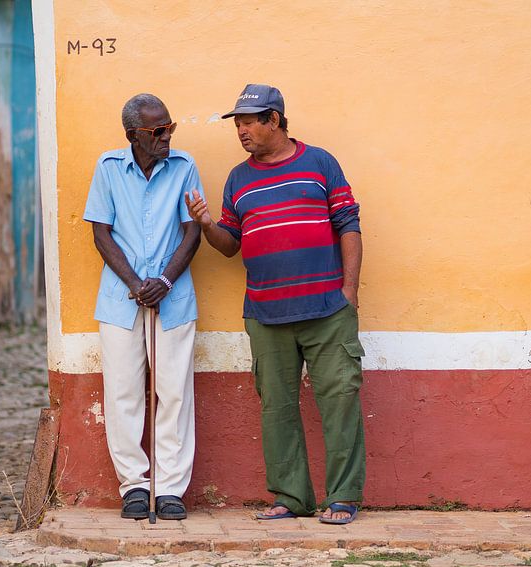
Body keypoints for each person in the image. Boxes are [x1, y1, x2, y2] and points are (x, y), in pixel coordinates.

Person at [186, 84, 366, 525]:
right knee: (276, 409)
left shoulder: (320, 163)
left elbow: (348, 223)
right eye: (238, 125)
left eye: (249, 122)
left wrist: (350, 290)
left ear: (274, 120)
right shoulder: (238, 178)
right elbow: (230, 244)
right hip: (266, 314)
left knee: (340, 402)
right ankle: (291, 497)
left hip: (327, 311)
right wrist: (206, 224)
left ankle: (343, 497)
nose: (241, 131)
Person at [83, 93, 202, 520]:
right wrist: (136, 285)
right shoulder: (108, 168)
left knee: (175, 392)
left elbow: (193, 231)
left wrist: (165, 281)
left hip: (173, 295)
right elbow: (101, 233)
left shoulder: (184, 166)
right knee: (123, 393)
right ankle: (133, 485)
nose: (167, 136)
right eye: (158, 131)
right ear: (134, 135)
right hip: (121, 298)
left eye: (170, 128)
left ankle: (170, 488)